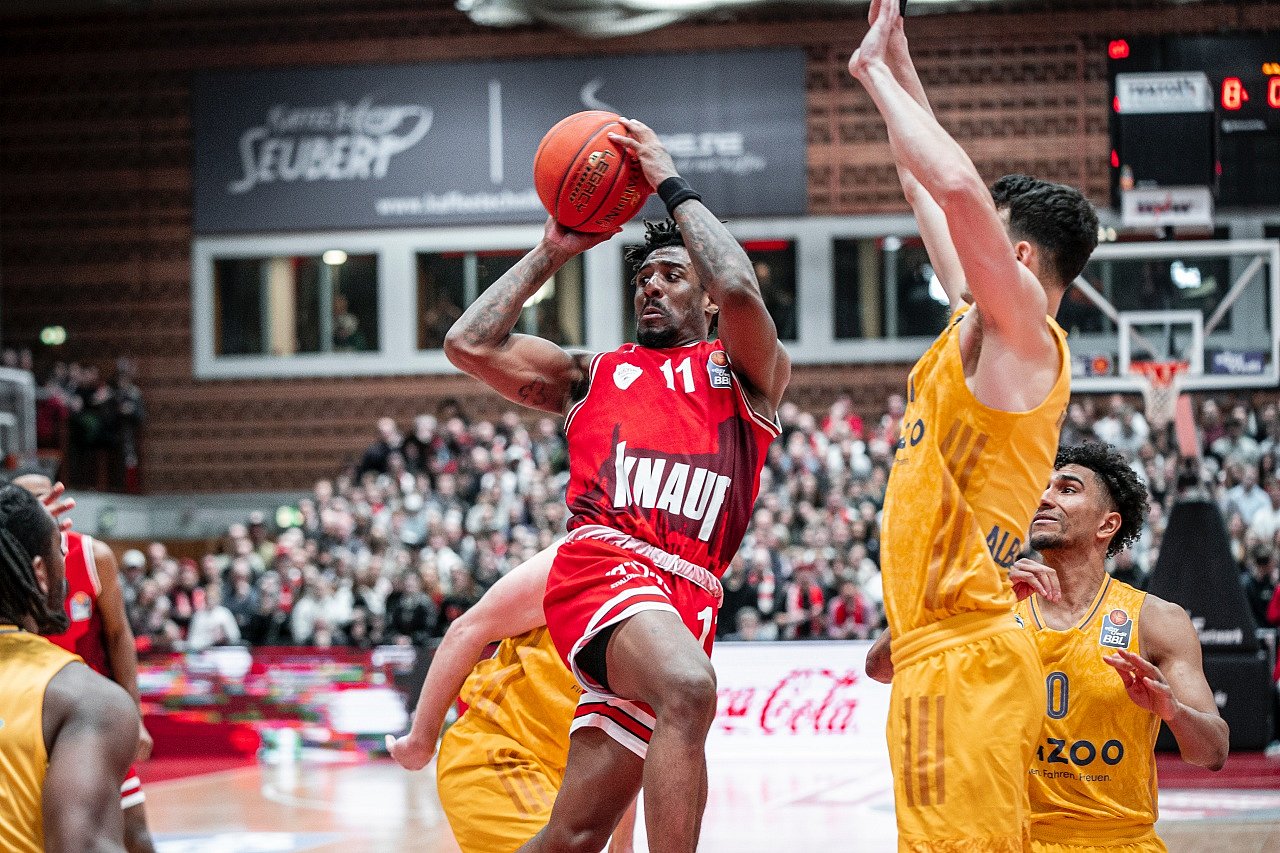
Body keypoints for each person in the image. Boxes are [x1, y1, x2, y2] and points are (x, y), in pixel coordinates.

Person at [443, 118, 789, 853]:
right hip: (606, 565)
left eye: (670, 275)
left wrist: (670, 181)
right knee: (690, 690)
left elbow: (737, 281)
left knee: (573, 836)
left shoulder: (748, 376)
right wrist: (552, 249)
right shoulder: (593, 371)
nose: (652, 287)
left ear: (705, 302)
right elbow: (469, 345)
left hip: (688, 596)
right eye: (643, 278)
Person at [848, 0, 1099, 847]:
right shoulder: (981, 326)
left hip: (969, 657)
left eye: (991, 234)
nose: (969, 237)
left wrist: (874, 78)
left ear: (1020, 259)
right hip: (939, 650)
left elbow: (957, 187)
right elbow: (925, 183)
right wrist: (900, 56)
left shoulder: (1025, 334)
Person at [868, 443, 1229, 851]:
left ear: (1107, 525)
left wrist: (1173, 712)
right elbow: (880, 667)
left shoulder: (1156, 620)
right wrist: (961, 599)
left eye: (1067, 489)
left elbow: (1213, 751)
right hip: (1012, 840)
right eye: (1042, 487)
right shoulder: (991, 600)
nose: (1044, 497)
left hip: (1115, 841)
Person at [386, 543, 634, 853]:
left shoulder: (679, 596)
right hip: (496, 753)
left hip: (561, 781)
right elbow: (466, 630)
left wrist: (623, 846)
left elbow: (630, 737)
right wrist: (421, 742)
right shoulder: (587, 555)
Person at [12, 471, 158, 853]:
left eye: (50, 501)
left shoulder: (94, 557)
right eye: (32, 506)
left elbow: (118, 635)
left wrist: (136, 715)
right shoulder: (10, 570)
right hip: (30, 707)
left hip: (85, 716)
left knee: (135, 834)